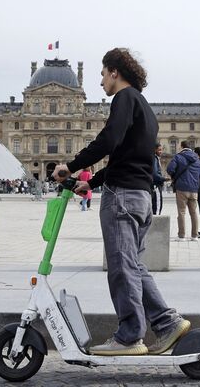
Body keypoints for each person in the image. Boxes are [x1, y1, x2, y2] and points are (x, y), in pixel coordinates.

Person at [51, 48, 190, 357]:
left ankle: (129, 335)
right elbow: (127, 157)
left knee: (121, 267)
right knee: (134, 265)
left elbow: (108, 141)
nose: (101, 81)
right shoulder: (144, 107)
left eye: (103, 74)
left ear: (115, 72)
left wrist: (70, 167)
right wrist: (92, 182)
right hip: (140, 196)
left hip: (122, 198)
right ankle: (167, 324)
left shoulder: (123, 99)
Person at [167, 140, 200, 241]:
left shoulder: (178, 157)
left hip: (182, 188)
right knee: (194, 213)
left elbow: (170, 169)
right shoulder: (197, 159)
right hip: (194, 189)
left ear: (181, 147)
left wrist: (175, 176)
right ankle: (194, 236)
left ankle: (182, 235)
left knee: (181, 212)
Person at [151, 143, 165, 215]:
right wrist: (164, 179)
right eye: (159, 150)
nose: (161, 151)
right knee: (157, 208)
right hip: (156, 185)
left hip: (153, 185)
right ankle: (156, 225)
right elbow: (155, 174)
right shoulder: (154, 159)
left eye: (161, 150)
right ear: (155, 150)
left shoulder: (154, 158)